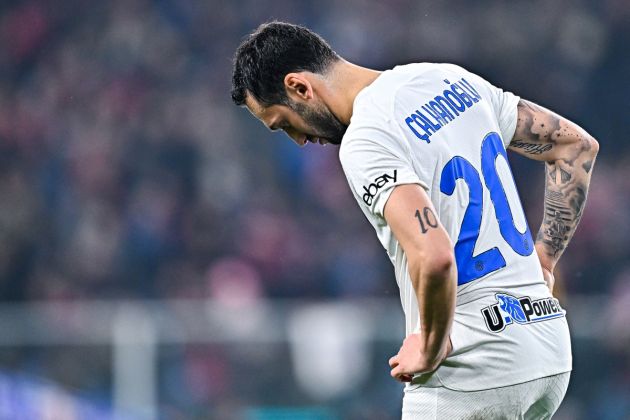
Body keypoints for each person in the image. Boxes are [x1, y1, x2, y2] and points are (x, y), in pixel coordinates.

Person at [230, 21, 598, 419]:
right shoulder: (451, 79)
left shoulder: (366, 138)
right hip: (547, 347)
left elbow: (435, 255)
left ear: (299, 87)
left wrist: (432, 345)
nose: (299, 140)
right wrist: (543, 259)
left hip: (473, 366)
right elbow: (575, 147)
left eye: (284, 123)